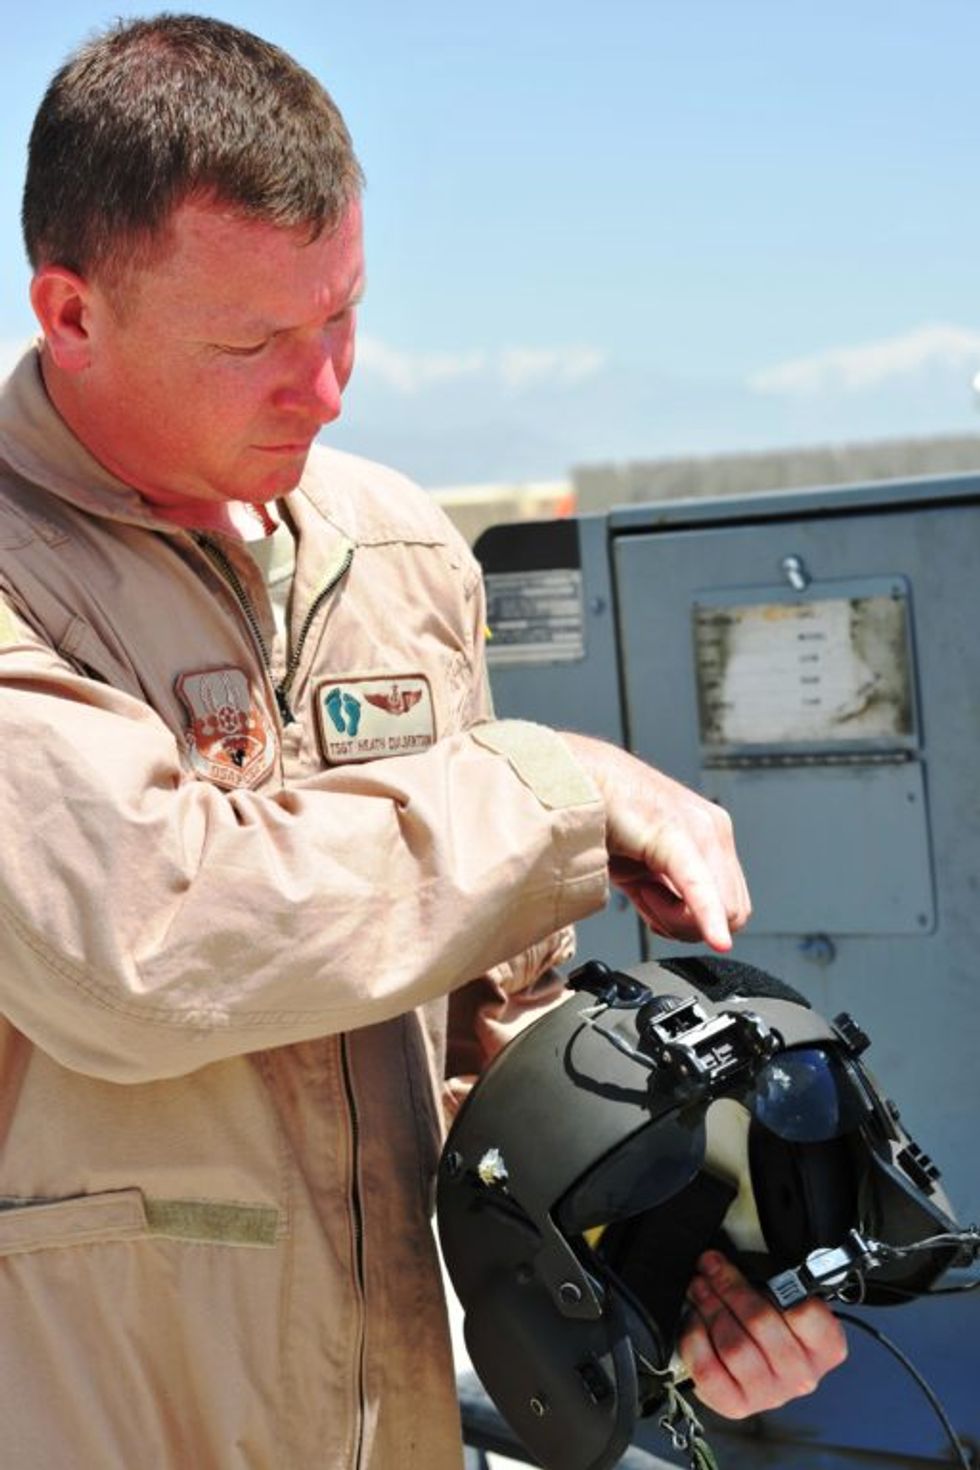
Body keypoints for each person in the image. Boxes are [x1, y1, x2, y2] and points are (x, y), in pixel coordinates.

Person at [0, 14, 845, 1467]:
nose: (325, 389)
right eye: (253, 340)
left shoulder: (396, 552)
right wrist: (554, 791)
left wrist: (675, 1278)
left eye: (342, 317)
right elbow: (135, 939)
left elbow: (487, 1034)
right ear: (69, 313)